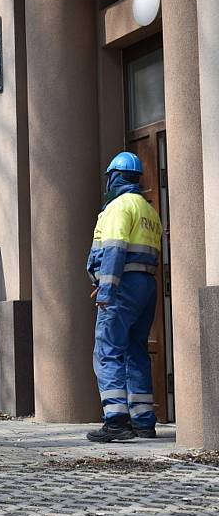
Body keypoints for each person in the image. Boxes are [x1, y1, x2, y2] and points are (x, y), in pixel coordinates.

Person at [85, 151, 163, 442]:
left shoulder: (119, 206)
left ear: (114, 177)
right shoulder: (149, 210)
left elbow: (115, 249)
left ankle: (116, 421)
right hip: (146, 285)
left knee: (107, 351)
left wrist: (106, 288)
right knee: (135, 351)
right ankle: (144, 421)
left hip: (122, 288)